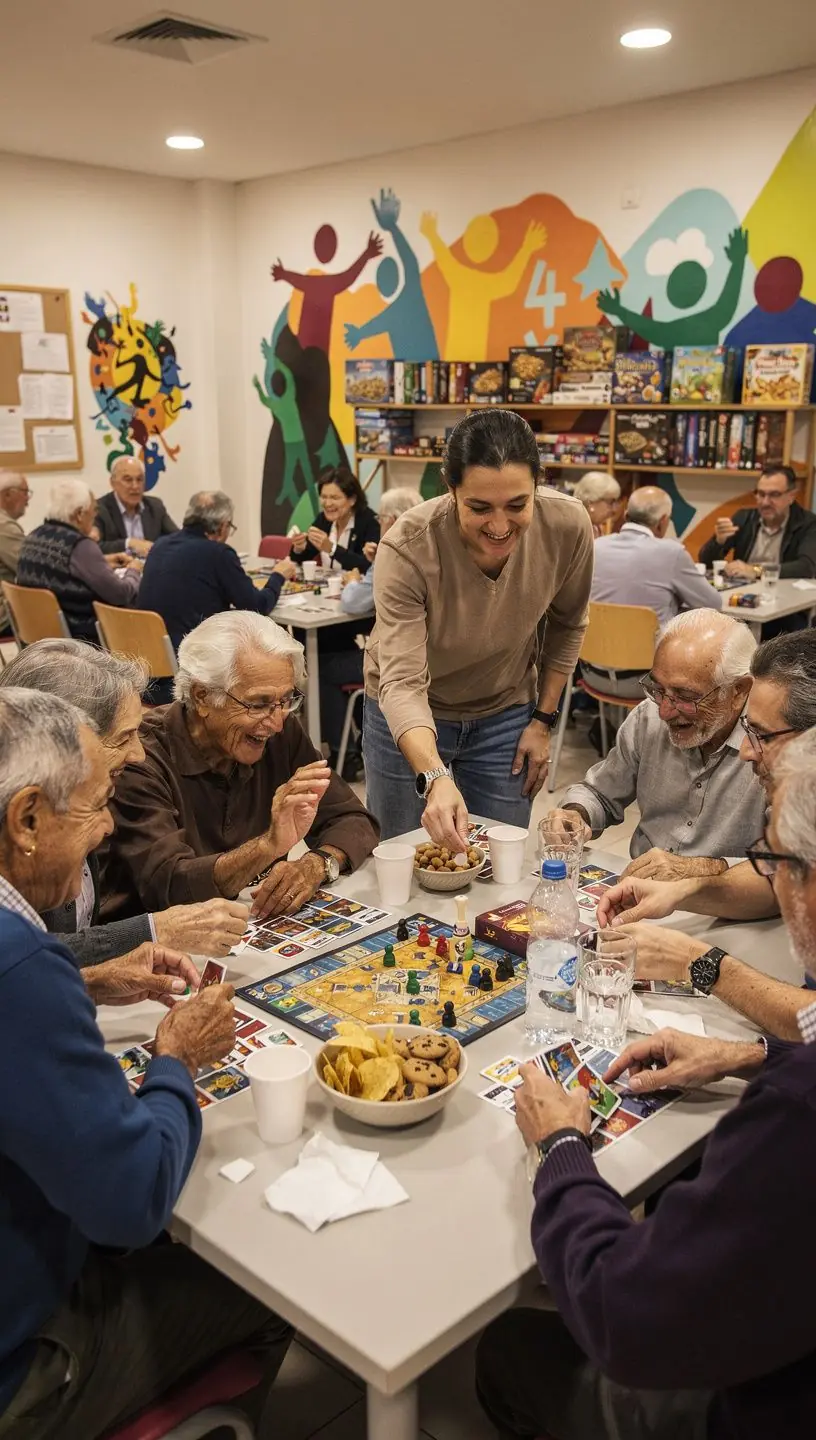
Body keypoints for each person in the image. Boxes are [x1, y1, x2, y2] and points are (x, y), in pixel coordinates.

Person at [476, 728, 816, 1440]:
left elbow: (620, 1313)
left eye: (775, 863)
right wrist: (754, 1056)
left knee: (502, 1351)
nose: (772, 881)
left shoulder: (793, 1120)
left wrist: (561, 1147)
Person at [0, 687, 293, 1440]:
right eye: (95, 809)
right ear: (27, 818)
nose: (105, 834)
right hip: (24, 1363)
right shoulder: (21, 966)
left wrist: (88, 977)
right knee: (274, 1278)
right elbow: (134, 1203)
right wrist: (175, 1058)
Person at [363, 410, 593, 848]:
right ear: (451, 491)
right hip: (408, 715)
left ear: (537, 486)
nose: (500, 526)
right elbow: (403, 683)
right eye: (479, 508)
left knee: (500, 864)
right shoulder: (407, 548)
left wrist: (542, 720)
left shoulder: (567, 525)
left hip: (504, 712)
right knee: (402, 856)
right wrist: (433, 775)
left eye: (518, 505)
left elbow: (568, 625)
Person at [100, 611, 379, 924]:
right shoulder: (140, 758)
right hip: (154, 944)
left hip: (248, 931)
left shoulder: (281, 731)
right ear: (202, 697)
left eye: (286, 700)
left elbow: (353, 819)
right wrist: (266, 847)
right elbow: (168, 886)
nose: (275, 723)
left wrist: (317, 864)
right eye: (257, 704)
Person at [0, 640, 249, 962]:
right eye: (123, 738)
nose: (138, 755)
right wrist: (156, 930)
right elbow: (28, 954)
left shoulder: (81, 799)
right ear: (62, 740)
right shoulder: (38, 826)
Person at [556, 608, 766, 859]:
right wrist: (576, 813)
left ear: (739, 691)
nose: (665, 711)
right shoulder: (649, 716)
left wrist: (711, 871)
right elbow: (600, 793)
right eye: (657, 689)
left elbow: (793, 867)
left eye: (686, 696)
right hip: (644, 886)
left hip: (724, 895)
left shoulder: (777, 746)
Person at [318, 486, 424, 778]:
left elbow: (354, 601)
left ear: (391, 520)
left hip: (395, 665)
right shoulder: (427, 545)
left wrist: (356, 579)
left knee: (322, 668)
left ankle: (344, 754)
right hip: (425, 660)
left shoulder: (393, 550)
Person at [583, 486, 720, 700]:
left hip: (592, 675)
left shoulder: (596, 546)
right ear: (663, 521)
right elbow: (713, 604)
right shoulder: (672, 553)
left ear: (627, 515)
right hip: (651, 683)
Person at [138, 490, 296, 653]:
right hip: (195, 658)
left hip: (152, 656)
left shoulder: (160, 545)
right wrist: (278, 575)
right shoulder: (218, 553)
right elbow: (257, 606)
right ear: (222, 526)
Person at [16, 480, 141, 640]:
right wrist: (134, 569)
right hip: (82, 638)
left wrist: (102, 560)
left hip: (39, 636)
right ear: (80, 514)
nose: (95, 516)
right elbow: (120, 594)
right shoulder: (80, 546)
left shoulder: (33, 537)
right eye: (94, 510)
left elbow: (61, 567)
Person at [699, 463, 816, 581]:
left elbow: (806, 568)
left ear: (791, 496)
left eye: (774, 495)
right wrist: (718, 542)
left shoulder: (808, 524)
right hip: (743, 591)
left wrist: (756, 571)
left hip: (783, 593)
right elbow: (706, 562)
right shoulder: (744, 518)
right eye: (761, 494)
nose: (765, 502)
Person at [289, 467, 380, 573]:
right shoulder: (323, 520)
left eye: (334, 498)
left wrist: (332, 549)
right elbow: (301, 560)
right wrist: (299, 548)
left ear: (352, 500)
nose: (327, 504)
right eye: (323, 497)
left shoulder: (370, 522)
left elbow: (368, 566)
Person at [94, 455, 178, 556]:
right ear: (113, 483)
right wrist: (128, 543)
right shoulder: (99, 509)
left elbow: (176, 538)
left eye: (139, 479)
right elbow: (94, 548)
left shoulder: (155, 507)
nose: (135, 486)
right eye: (128, 480)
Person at [0, 469, 30, 634]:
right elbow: (29, 567)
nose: (28, 500)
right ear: (7, 495)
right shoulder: (4, 527)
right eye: (25, 492)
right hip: (4, 617)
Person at [571, 470, 621, 538]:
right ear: (591, 502)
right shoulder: (573, 528)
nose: (614, 510)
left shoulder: (595, 527)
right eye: (610, 502)